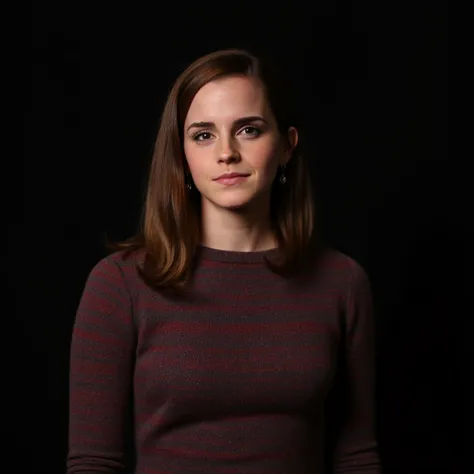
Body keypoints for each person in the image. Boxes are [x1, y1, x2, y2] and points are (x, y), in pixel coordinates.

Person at [67, 49, 380, 473]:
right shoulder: (121, 284)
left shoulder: (341, 282)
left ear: (287, 146)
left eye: (248, 130)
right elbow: (93, 462)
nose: (226, 152)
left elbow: (356, 455)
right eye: (203, 135)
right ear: (182, 155)